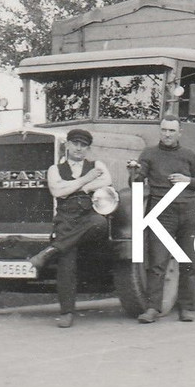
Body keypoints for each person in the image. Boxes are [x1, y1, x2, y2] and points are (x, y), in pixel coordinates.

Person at [28, 128, 112, 328]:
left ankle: (50, 251)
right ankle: (66, 312)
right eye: (75, 144)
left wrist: (73, 187)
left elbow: (107, 180)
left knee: (100, 223)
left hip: (88, 217)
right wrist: (86, 180)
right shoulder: (55, 169)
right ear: (67, 145)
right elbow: (57, 191)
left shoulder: (97, 165)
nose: (79, 148)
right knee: (67, 261)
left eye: (83, 145)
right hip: (66, 220)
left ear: (88, 148)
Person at [129, 118, 195, 323]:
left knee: (188, 262)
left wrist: (187, 180)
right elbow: (137, 182)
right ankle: (152, 309)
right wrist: (134, 173)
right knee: (157, 263)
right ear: (160, 131)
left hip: (187, 211)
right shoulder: (149, 154)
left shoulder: (189, 155)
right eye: (164, 130)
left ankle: (187, 308)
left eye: (171, 130)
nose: (167, 134)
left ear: (179, 132)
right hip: (161, 213)